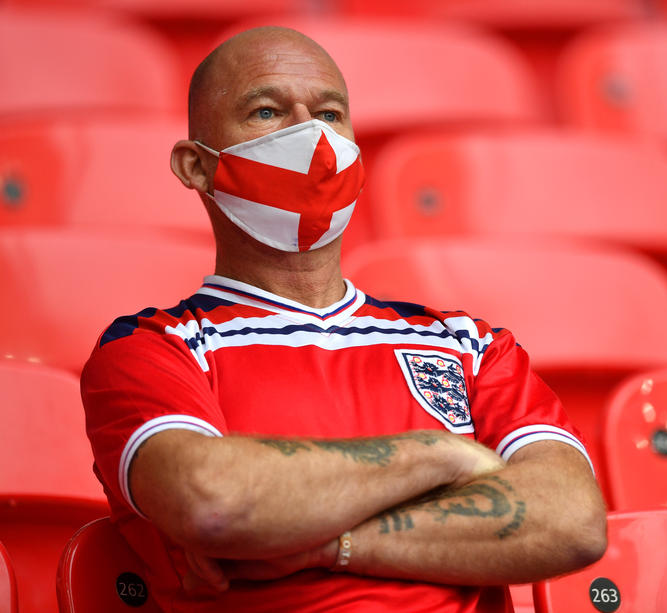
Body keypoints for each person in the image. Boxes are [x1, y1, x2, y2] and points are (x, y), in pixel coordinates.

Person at [81, 25, 607, 612]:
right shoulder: (151, 348)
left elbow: (572, 519)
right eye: (267, 111)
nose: (311, 137)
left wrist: (328, 542)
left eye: (330, 113)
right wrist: (442, 456)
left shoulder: (471, 344)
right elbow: (214, 499)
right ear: (196, 167)